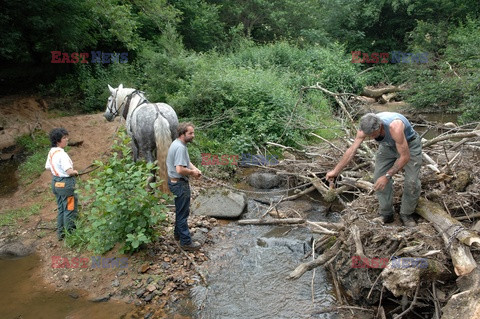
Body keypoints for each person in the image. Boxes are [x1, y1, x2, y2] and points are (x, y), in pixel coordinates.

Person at [326, 112, 422, 227]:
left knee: (411, 181)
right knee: (378, 177)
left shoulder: (395, 127)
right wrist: (335, 171)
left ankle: (407, 214)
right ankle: (387, 214)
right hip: (387, 146)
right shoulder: (364, 129)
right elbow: (352, 150)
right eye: (368, 135)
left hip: (409, 145)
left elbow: (405, 157)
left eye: (372, 135)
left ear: (380, 126)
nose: (370, 137)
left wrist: (387, 176)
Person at [166, 122, 202, 251]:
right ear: (182, 134)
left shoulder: (177, 143)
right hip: (180, 184)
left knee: (180, 211)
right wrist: (192, 173)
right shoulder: (180, 147)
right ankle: (186, 242)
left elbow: (186, 161)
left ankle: (178, 234)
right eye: (190, 133)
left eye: (193, 132)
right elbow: (180, 169)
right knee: (183, 213)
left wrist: (195, 168)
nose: (193, 135)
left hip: (174, 182)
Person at [45, 128, 79, 240]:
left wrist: (58, 171)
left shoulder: (51, 152)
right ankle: (70, 234)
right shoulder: (62, 154)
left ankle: (61, 233)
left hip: (56, 183)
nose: (67, 139)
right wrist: (75, 172)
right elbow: (69, 171)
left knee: (61, 208)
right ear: (58, 141)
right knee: (69, 208)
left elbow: (47, 167)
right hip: (66, 185)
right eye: (64, 138)